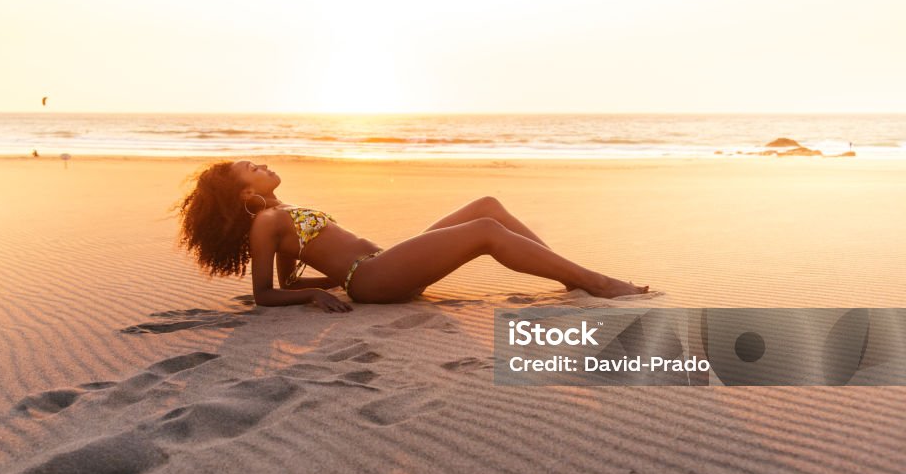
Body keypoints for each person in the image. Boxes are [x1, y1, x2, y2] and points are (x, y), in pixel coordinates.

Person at [176, 160, 649, 313]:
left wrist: (319, 289)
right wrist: (315, 298)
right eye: (251, 168)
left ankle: (568, 277)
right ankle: (597, 282)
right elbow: (264, 294)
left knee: (485, 206)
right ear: (241, 193)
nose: (262, 165)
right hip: (372, 278)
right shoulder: (264, 224)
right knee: (484, 231)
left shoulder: (280, 214)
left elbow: (295, 279)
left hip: (381, 266)